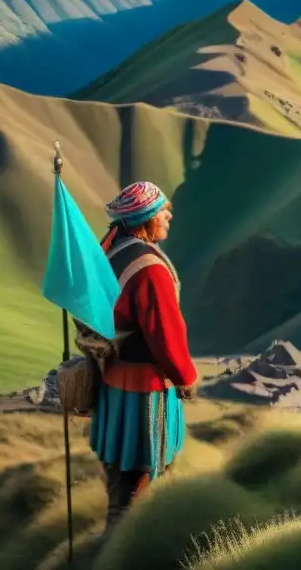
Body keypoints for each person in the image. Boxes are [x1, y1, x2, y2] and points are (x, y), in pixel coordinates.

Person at [90, 182, 197, 531]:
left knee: (121, 475)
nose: (169, 214)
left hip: (113, 381)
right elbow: (165, 334)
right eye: (162, 210)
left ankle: (115, 539)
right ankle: (132, 544)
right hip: (145, 391)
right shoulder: (148, 269)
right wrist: (185, 377)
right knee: (144, 473)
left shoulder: (114, 253)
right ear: (146, 219)